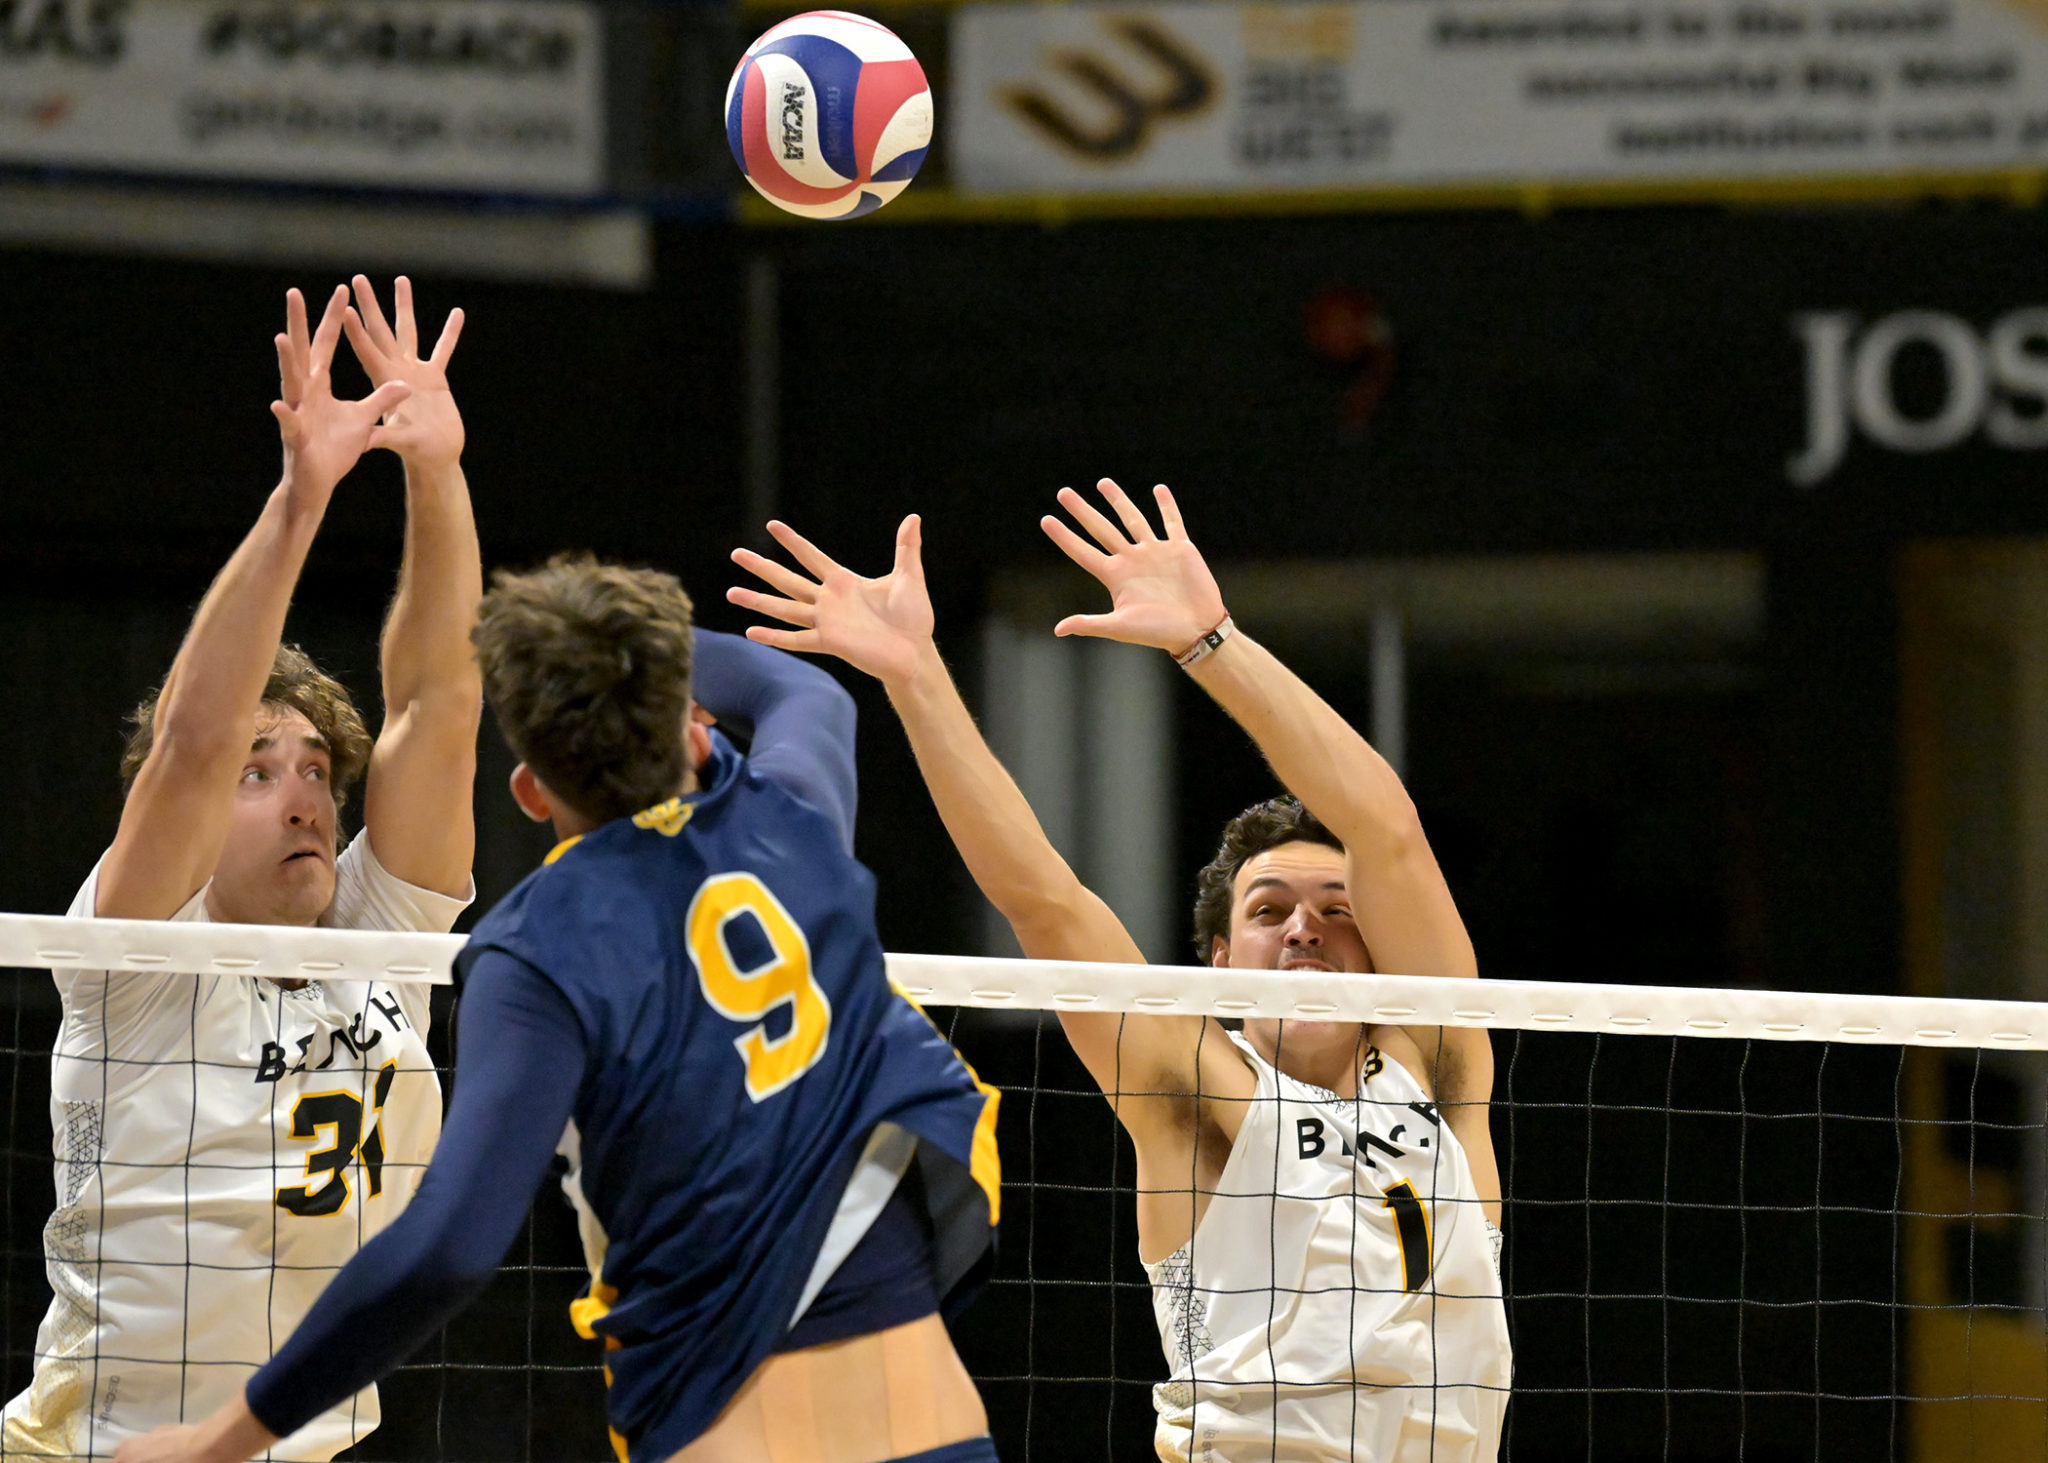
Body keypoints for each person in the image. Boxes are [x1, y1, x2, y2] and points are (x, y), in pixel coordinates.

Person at [114, 556, 1003, 1463]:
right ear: (697, 739)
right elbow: (801, 690)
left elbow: (450, 1246)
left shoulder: (538, 953)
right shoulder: (796, 820)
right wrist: (622, 655)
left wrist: (218, 1441)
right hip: (940, 1441)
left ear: (531, 792)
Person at [728, 481, 1512, 1463]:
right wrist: (915, 674)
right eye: (1268, 910)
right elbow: (1045, 901)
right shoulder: (1195, 1088)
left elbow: (1384, 827)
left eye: (1335, 909)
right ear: (1220, 962)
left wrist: (1211, 641)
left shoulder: (1439, 1069)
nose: (1304, 929)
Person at [1, 278, 483, 1461]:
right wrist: (301, 495)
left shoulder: (382, 938)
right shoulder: (138, 954)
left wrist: (437, 472)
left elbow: (438, 705)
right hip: (109, 1445)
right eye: (259, 774)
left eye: (316, 767)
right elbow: (192, 738)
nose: (303, 791)